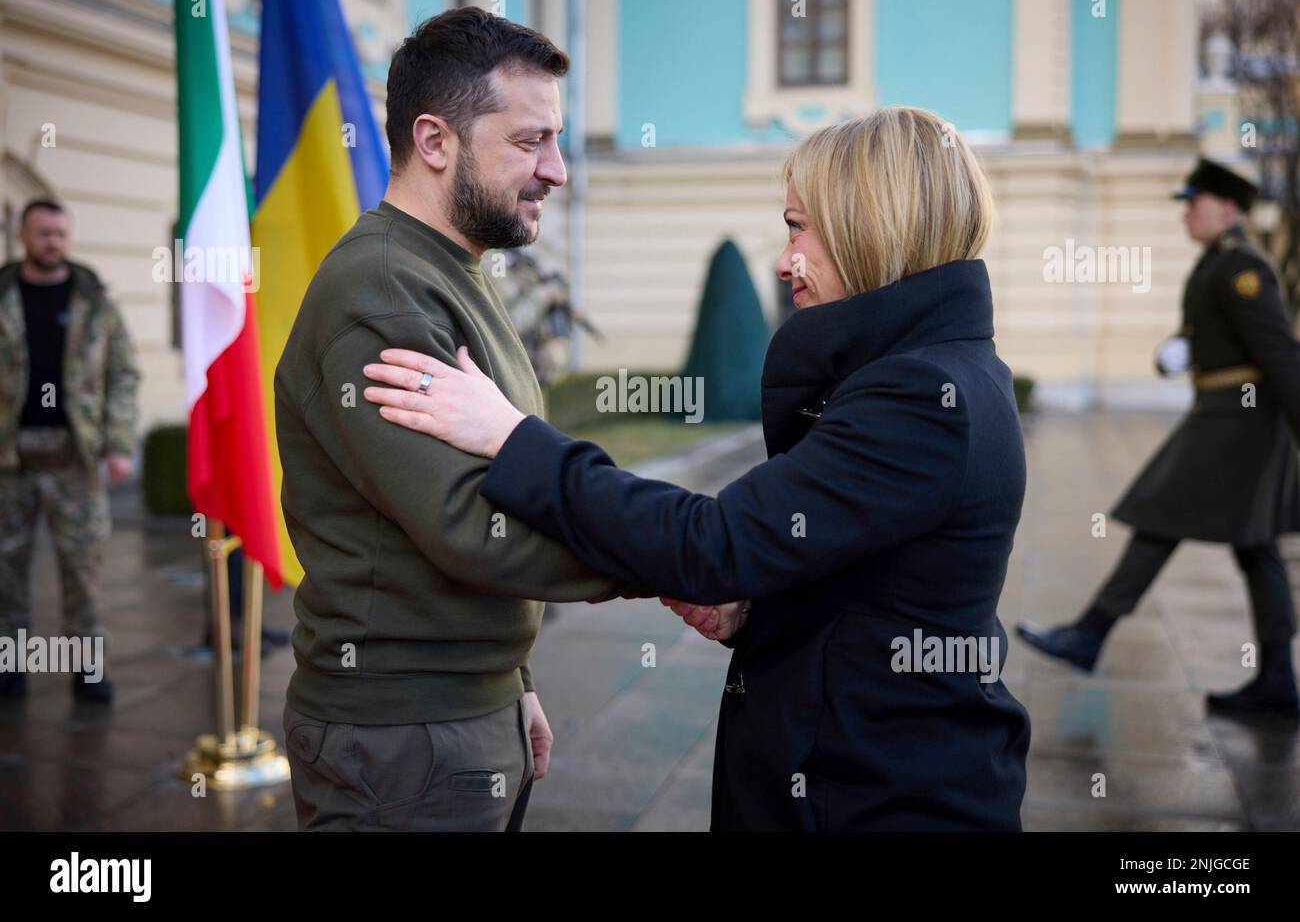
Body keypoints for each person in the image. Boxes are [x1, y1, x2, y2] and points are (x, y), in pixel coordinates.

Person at [361, 107, 1033, 831]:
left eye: (798, 226)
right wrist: (758, 608)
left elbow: (713, 543)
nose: (783, 259)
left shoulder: (918, 397)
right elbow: (869, 573)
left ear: (870, 226)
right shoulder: (943, 370)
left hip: (875, 796)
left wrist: (512, 436)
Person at [275, 8, 633, 832]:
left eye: (557, 140)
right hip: (401, 739)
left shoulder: (450, 267)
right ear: (436, 142)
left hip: (456, 716)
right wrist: (677, 559)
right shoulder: (382, 287)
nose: (558, 170)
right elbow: (470, 525)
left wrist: (514, 684)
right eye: (529, 141)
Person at [1017, 158, 1300, 724]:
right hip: (1223, 418)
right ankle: (1276, 681)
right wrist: (1181, 349)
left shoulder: (1242, 268)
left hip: (1236, 426)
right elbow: (1217, 337)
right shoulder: (1218, 264)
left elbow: (1278, 353)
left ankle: (1091, 634)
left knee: (1160, 516)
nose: (1186, 214)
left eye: (1194, 203)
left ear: (1228, 208)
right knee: (1254, 548)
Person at [0, 199, 140, 703]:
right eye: (43, 233)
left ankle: (88, 668)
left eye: (60, 232)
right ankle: (10, 666)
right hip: (9, 458)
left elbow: (123, 372)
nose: (53, 241)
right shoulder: (3, 295)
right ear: (23, 236)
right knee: (5, 571)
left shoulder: (93, 300)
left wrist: (119, 444)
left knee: (83, 569)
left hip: (74, 457)